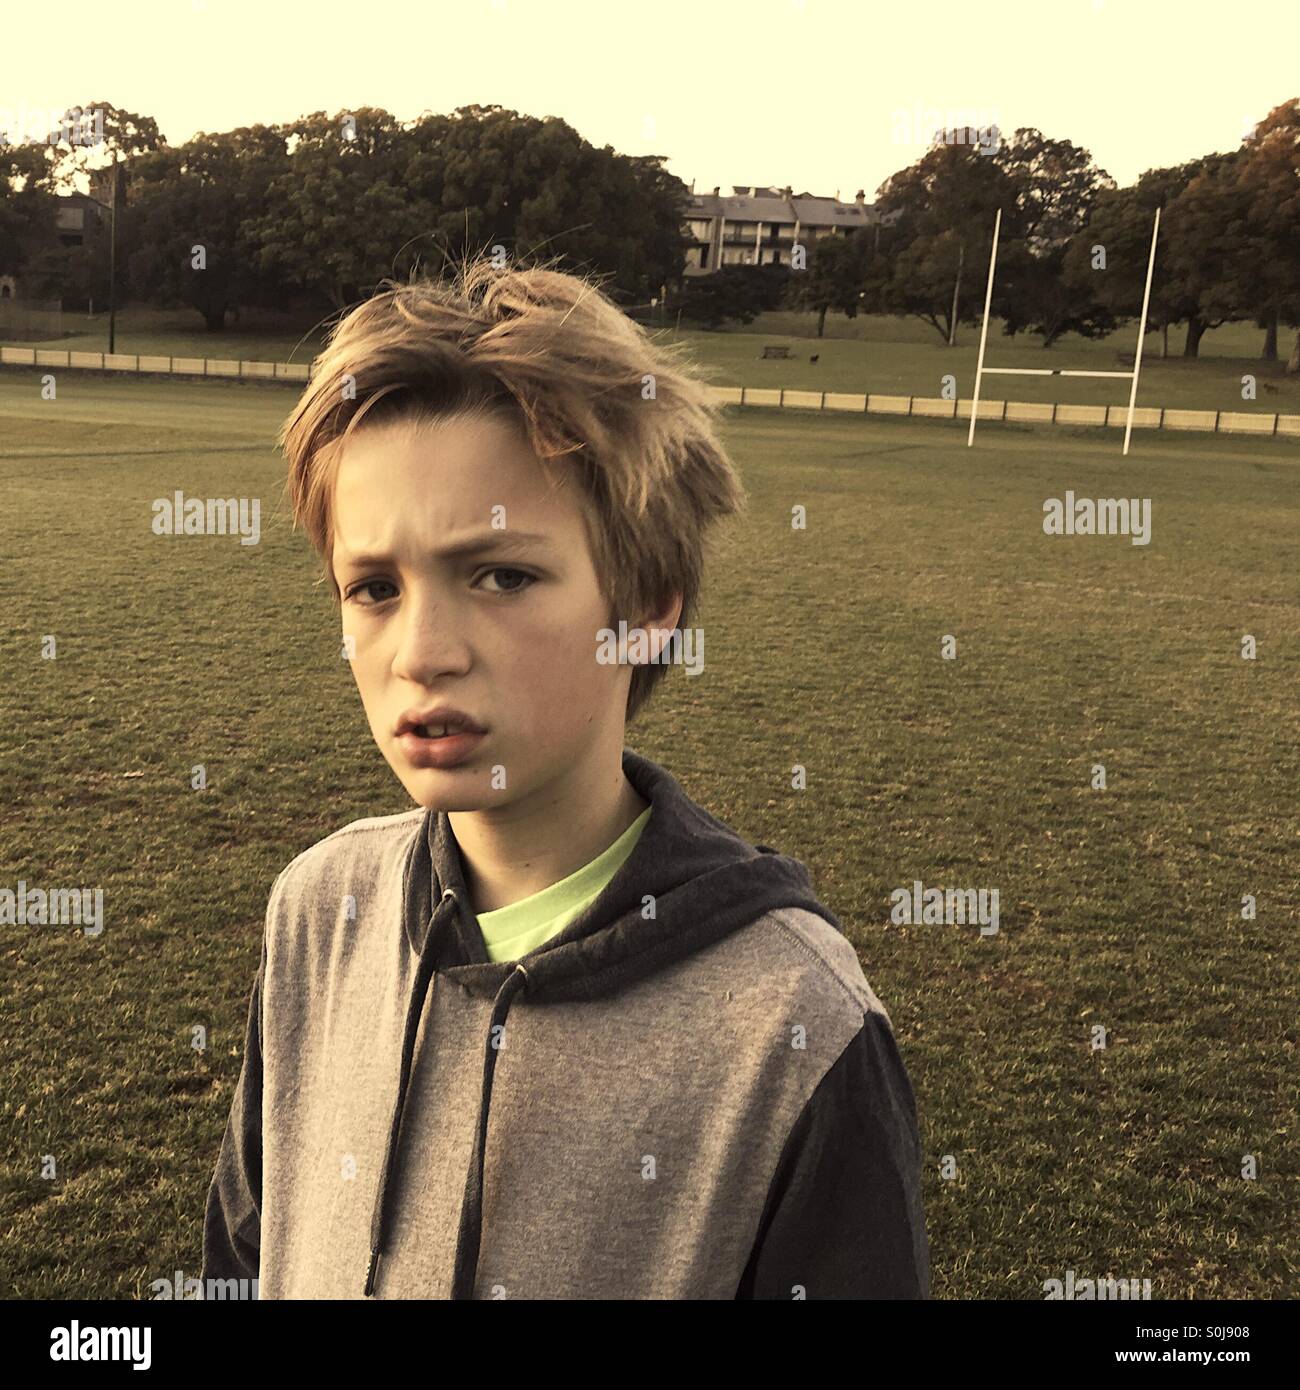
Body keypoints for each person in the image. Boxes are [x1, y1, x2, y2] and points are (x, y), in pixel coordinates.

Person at [200, 253, 929, 1299]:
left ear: (647, 609)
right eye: (373, 586)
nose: (422, 652)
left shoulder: (793, 1026)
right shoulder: (322, 906)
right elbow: (242, 1254)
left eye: (501, 575)